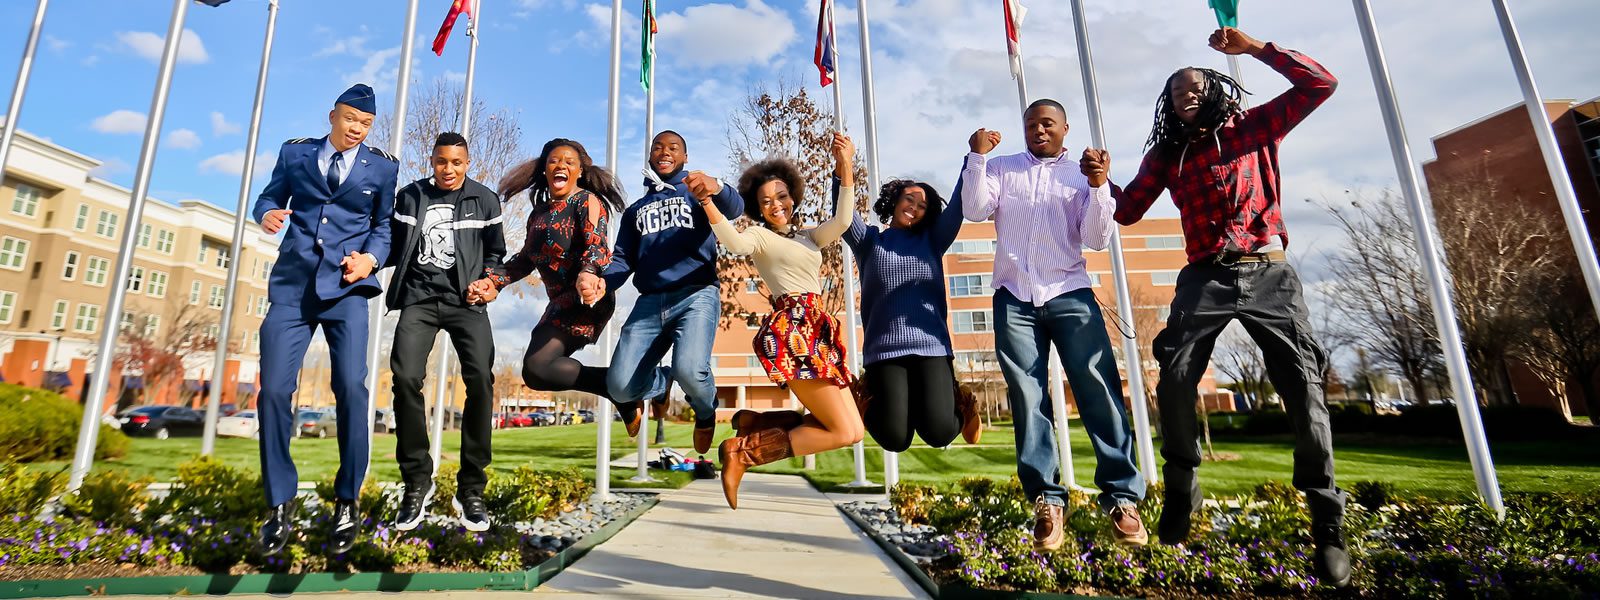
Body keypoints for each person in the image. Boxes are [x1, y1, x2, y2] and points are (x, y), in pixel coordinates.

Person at [1099, 27, 1348, 587]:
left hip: (1268, 273)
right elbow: (1128, 211)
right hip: (1204, 280)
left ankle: (1327, 521)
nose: (1186, 93)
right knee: (1177, 379)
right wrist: (1098, 182)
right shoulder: (1169, 155)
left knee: (1304, 389)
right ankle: (1183, 486)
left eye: (1194, 85)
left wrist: (1256, 50)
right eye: (1175, 90)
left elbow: (1321, 83)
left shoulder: (1256, 126)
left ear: (1216, 89)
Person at [963, 99, 1148, 550]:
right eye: (1030, 124)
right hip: (1016, 298)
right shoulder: (1002, 167)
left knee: (1098, 389)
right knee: (1028, 398)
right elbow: (973, 208)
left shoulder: (1081, 175)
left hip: (1070, 294)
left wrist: (1100, 185)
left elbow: (1096, 238)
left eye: (1047, 123)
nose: (1038, 130)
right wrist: (977, 156)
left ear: (1065, 128)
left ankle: (1122, 498)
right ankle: (1047, 499)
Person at [251, 83, 397, 556]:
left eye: (366, 124)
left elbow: (384, 227)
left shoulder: (384, 167)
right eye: (351, 119)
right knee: (273, 389)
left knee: (352, 390)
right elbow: (268, 198)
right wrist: (268, 213)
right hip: (292, 289)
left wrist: (371, 262)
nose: (357, 129)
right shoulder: (295, 155)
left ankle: (347, 501)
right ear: (332, 115)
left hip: (348, 291)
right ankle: (279, 503)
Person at [689, 132, 864, 509]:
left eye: (782, 196)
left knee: (854, 431)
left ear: (793, 196)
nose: (776, 205)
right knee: (839, 430)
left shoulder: (809, 237)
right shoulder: (759, 236)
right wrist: (706, 201)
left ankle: (758, 425)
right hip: (795, 330)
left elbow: (845, 219)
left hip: (819, 329)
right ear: (758, 207)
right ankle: (745, 452)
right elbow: (734, 245)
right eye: (766, 201)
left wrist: (845, 163)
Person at [385, 132, 507, 532]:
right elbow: (389, 244)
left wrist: (489, 280)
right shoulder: (409, 196)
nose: (448, 169)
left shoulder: (485, 199)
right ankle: (416, 482)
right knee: (404, 378)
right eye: (441, 162)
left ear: (467, 163)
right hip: (419, 299)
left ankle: (471, 487)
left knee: (481, 383)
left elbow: (496, 255)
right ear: (432, 161)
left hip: (466, 302)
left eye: (456, 162)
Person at [599, 130, 744, 455]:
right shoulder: (636, 210)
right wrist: (603, 283)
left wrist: (716, 186)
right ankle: (661, 385)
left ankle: (705, 412)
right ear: (650, 156)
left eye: (673, 147)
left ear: (685, 157)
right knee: (619, 387)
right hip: (650, 302)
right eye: (658, 147)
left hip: (696, 295)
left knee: (690, 370)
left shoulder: (696, 192)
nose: (665, 152)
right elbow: (622, 259)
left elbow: (735, 209)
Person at [485, 139, 625, 432]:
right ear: (545, 170)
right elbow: (525, 259)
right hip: (561, 301)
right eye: (553, 161)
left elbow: (597, 246)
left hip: (588, 296)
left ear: (580, 172)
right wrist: (493, 282)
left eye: (569, 162)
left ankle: (623, 386)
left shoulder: (586, 201)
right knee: (537, 374)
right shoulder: (539, 214)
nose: (561, 165)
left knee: (538, 367)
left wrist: (588, 273)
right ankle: (621, 387)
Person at [842, 176, 983, 452]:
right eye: (909, 199)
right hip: (884, 352)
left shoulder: (932, 240)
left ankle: (964, 405)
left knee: (939, 433)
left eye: (922, 205)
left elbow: (956, 206)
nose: (914, 207)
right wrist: (842, 168)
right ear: (895, 200)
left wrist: (974, 157)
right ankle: (860, 398)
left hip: (931, 347)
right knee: (895, 439)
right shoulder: (869, 241)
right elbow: (844, 211)